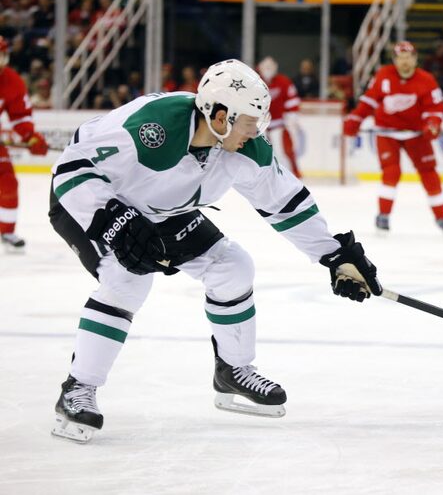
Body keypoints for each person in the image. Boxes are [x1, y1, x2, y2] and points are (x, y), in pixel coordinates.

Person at [48, 59, 382, 443]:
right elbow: (72, 170)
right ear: (219, 116)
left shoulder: (247, 148)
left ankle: (232, 371)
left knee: (232, 267)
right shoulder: (152, 126)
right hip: (91, 204)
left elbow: (285, 203)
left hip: (166, 211)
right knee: (126, 279)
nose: (256, 130)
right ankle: (78, 388)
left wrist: (335, 255)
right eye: (248, 121)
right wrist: (112, 221)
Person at [343, 41, 443, 233]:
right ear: (394, 60)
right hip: (387, 133)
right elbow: (368, 100)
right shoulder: (383, 75)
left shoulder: (426, 80)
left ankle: (441, 216)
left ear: (415, 59)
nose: (405, 62)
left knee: (429, 173)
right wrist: (355, 118)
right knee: (391, 172)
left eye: (408, 58)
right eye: (401, 58)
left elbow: (435, 108)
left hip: (416, 134)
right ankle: (383, 215)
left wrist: (433, 124)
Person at [0, 35, 49, 251]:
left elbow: (20, 117)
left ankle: (7, 231)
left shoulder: (12, 81)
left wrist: (30, 137)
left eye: (1, 56)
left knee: (8, 182)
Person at [257, 56, 303, 177]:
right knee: (262, 148)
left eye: (270, 67)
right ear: (260, 68)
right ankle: (264, 172)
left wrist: (291, 116)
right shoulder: (254, 82)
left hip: (279, 122)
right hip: (260, 122)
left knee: (287, 147)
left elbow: (292, 100)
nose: (268, 70)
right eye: (265, 67)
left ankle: (293, 170)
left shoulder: (284, 81)